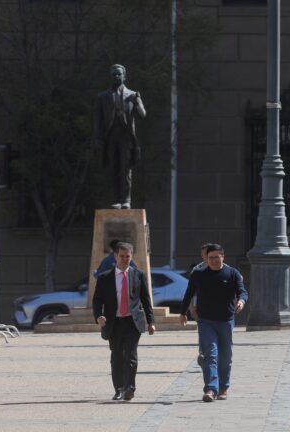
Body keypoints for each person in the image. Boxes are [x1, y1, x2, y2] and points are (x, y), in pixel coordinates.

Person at [179, 244, 248, 402]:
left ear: (223, 257)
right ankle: (211, 388)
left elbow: (242, 291)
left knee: (225, 357)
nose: (214, 260)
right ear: (206, 259)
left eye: (217, 257)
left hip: (226, 321)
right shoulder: (198, 274)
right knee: (210, 354)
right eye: (211, 258)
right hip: (206, 321)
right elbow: (188, 294)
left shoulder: (232, 273)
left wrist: (241, 301)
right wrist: (182, 313)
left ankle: (223, 387)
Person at [92, 242, 155, 401]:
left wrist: (151, 321)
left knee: (131, 355)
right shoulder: (105, 277)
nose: (125, 259)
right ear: (115, 256)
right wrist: (98, 316)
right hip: (114, 322)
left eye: (128, 256)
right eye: (122, 256)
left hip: (133, 322)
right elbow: (97, 300)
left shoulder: (138, 275)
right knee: (117, 356)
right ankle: (119, 389)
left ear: (131, 256)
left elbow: (145, 300)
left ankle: (130, 388)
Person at [94, 64, 146, 209]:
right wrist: (97, 138)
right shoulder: (102, 97)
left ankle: (126, 200)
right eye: (114, 74)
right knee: (113, 168)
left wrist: (138, 102)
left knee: (126, 168)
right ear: (110, 77)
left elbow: (142, 115)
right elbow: (98, 120)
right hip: (110, 138)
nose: (116, 76)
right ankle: (117, 199)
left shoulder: (132, 95)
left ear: (124, 76)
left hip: (126, 138)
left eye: (119, 74)